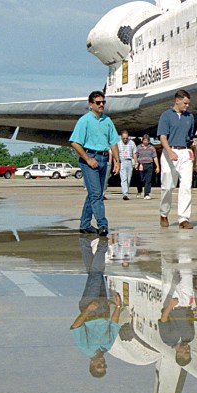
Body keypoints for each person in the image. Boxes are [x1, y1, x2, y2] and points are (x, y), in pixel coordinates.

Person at [69, 90, 120, 237]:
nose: (101, 105)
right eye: (98, 102)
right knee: (97, 194)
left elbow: (113, 142)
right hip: (90, 158)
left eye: (103, 102)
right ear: (91, 104)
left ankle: (84, 224)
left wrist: (117, 160)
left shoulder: (107, 121)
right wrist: (88, 159)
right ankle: (103, 224)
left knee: (94, 193)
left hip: (104, 159)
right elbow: (75, 142)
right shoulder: (84, 121)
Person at [70, 236, 121, 378]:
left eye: (99, 365)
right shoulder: (108, 346)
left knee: (97, 274)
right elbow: (114, 325)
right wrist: (117, 307)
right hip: (104, 309)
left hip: (90, 306)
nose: (103, 363)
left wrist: (88, 309)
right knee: (94, 274)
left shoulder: (85, 348)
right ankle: (85, 241)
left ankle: (102, 245)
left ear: (92, 364)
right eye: (105, 366)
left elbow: (75, 326)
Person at [157, 90, 197, 229]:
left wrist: (195, 146)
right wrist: (170, 152)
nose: (187, 106)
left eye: (188, 104)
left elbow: (190, 137)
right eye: (185, 103)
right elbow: (162, 137)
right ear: (177, 100)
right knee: (167, 186)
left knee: (186, 185)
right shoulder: (166, 115)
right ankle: (164, 213)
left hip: (185, 152)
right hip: (170, 151)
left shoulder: (190, 117)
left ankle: (183, 218)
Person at [135, 134, 159, 199]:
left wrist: (157, 166)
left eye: (147, 140)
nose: (145, 142)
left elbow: (155, 157)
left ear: (148, 141)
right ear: (142, 140)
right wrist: (136, 163)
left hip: (149, 165)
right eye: (144, 140)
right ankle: (139, 190)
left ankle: (147, 194)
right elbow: (135, 156)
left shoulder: (152, 148)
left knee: (148, 180)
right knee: (141, 180)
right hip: (141, 165)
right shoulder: (138, 147)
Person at [117, 130, 137, 200]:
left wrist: (136, 162)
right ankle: (125, 194)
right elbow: (116, 154)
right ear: (121, 137)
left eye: (126, 138)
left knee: (129, 178)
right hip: (122, 161)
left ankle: (126, 191)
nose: (125, 140)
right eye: (124, 138)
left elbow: (134, 153)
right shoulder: (118, 144)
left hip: (129, 161)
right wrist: (117, 163)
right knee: (124, 178)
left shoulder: (131, 143)